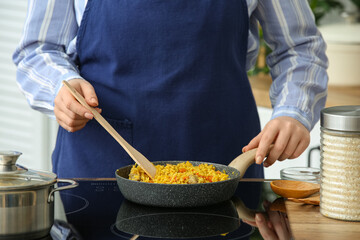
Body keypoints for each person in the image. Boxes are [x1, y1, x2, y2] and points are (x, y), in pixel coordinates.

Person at [13, 0, 328, 179]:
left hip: (224, 171)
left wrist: (293, 111)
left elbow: (299, 47)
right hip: (98, 172)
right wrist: (60, 85)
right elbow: (38, 50)